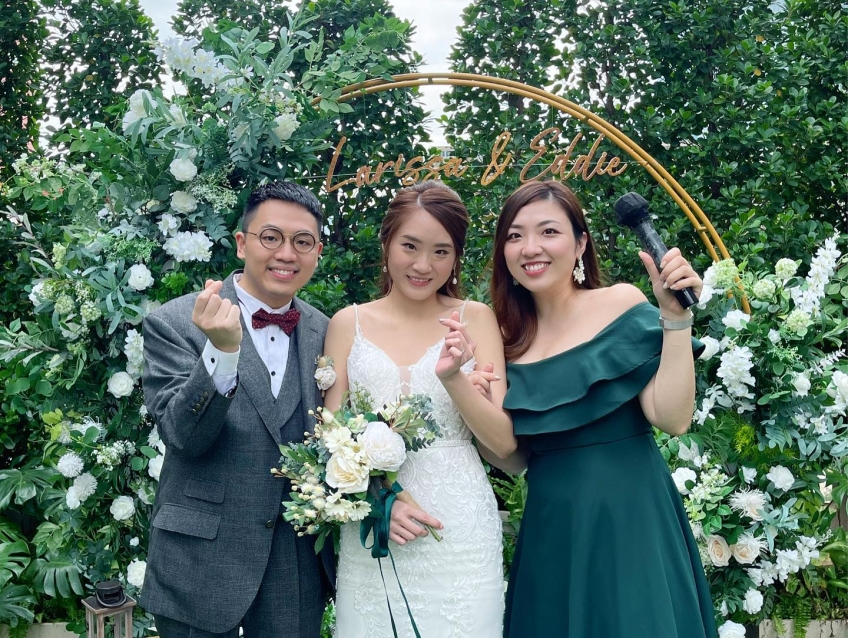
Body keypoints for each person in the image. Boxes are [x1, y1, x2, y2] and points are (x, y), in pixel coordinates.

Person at [473, 180, 716, 637]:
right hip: (552, 530)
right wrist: (471, 399)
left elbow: (673, 418)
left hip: (633, 518)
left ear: (581, 244)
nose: (530, 248)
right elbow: (511, 458)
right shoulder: (503, 341)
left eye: (548, 232)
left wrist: (676, 319)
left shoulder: (619, 303)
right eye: (515, 236)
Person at [141, 181, 334, 638]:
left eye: (302, 242)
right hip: (199, 561)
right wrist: (222, 352)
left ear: (317, 252)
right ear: (243, 243)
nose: (286, 253)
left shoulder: (327, 331)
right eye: (271, 237)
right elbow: (183, 437)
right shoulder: (175, 322)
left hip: (294, 564)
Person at [323, 180, 515, 637]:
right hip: (374, 531)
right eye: (410, 246)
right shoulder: (347, 323)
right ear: (386, 242)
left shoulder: (475, 319)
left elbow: (504, 444)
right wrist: (379, 503)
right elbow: (330, 438)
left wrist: (457, 381)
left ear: (456, 257)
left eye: (441, 251)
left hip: (460, 531)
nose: (423, 265)